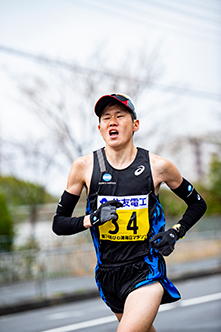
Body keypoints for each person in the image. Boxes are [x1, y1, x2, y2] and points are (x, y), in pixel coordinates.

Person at [52, 93, 207, 332]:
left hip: (146, 268)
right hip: (108, 274)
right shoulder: (84, 167)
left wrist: (176, 232)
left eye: (119, 116)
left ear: (135, 125)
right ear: (100, 128)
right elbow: (58, 224)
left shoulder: (158, 166)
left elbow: (198, 204)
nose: (112, 121)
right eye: (106, 118)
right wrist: (92, 219)